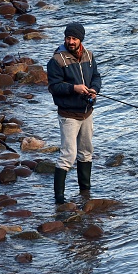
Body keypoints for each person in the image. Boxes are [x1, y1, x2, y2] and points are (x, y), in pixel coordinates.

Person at [47, 22, 102, 204]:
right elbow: (54, 87)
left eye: (74, 38)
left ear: (80, 40)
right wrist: (74, 88)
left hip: (87, 112)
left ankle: (85, 192)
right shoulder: (57, 61)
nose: (71, 41)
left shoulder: (89, 56)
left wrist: (94, 89)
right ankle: (59, 200)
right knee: (68, 155)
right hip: (68, 115)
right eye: (68, 38)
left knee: (86, 152)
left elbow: (96, 77)